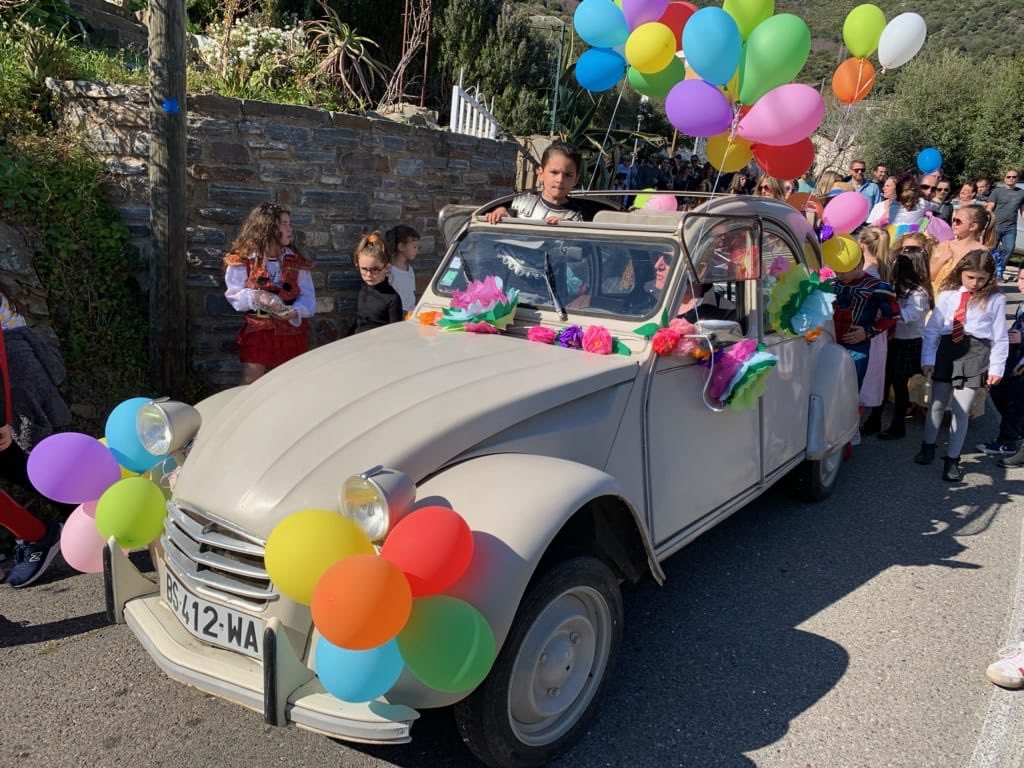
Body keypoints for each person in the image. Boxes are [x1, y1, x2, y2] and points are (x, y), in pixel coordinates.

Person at [916, 249, 1008, 481]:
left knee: (961, 409)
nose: (975, 283)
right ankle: (928, 445)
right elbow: (933, 329)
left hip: (975, 352)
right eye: (970, 277)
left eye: (981, 278)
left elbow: (999, 336)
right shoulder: (948, 295)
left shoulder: (995, 299)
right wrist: (928, 358)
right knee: (937, 404)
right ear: (961, 273)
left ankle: (952, 459)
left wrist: (997, 367)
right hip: (948, 350)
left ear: (989, 277)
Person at [0, 288, 69, 588]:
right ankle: (72, 513)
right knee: (15, 460)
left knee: (25, 456)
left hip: (16, 367)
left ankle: (44, 531)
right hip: (14, 365)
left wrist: (2, 418)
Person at [224, 202, 316, 384]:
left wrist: (295, 311)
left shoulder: (296, 261)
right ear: (268, 227)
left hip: (291, 333)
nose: (290, 229)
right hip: (259, 330)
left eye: (290, 224)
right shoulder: (245, 260)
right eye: (285, 224)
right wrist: (257, 296)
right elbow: (234, 295)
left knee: (291, 383)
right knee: (251, 384)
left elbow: (309, 299)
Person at [870, 247, 933, 440]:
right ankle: (874, 420)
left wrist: (890, 311)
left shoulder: (919, 292)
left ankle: (898, 425)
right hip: (893, 340)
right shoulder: (898, 285)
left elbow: (910, 315)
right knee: (884, 381)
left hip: (908, 343)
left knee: (899, 384)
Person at [832, 249, 900, 388]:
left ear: (859, 264)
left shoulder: (878, 287)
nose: (840, 275)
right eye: (837, 271)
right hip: (830, 344)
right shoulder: (833, 285)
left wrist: (868, 331)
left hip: (857, 348)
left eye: (844, 270)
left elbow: (893, 316)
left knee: (851, 390)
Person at [485, 142, 584, 224]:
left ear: (576, 179)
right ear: (541, 173)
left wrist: (566, 227)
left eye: (568, 175)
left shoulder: (575, 216)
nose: (560, 180)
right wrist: (501, 212)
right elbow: (507, 218)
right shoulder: (522, 203)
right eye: (554, 172)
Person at [976, 290, 1024, 459]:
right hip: (1014, 357)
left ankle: (1008, 441)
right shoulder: (1022, 305)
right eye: (1020, 278)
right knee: (998, 391)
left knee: (1015, 401)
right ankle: (1016, 430)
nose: (1021, 284)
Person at [857, 226, 894, 433]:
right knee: (866, 382)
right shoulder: (882, 267)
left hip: (866, 331)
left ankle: (852, 430)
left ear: (861, 244)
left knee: (859, 382)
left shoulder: (868, 272)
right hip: (876, 334)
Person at [929, 204, 995, 297]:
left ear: (973, 226)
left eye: (958, 221)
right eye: (953, 220)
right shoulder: (945, 245)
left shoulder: (982, 252)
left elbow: (985, 282)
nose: (954, 224)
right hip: (935, 298)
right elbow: (928, 275)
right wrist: (941, 261)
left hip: (962, 302)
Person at [352, 231, 404, 333]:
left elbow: (395, 333)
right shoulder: (364, 289)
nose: (368, 275)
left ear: (387, 267)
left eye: (374, 269)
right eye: (364, 269)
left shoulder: (392, 299)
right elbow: (359, 322)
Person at [985, 168, 1024, 281]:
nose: (1011, 179)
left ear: (1017, 179)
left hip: (1010, 227)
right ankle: (988, 271)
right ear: (1005, 178)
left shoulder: (1021, 193)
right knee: (991, 249)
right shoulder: (997, 192)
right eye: (1009, 177)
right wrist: (987, 223)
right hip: (996, 226)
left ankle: (999, 271)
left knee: (1009, 249)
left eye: (1014, 177)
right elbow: (989, 208)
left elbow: (1022, 210)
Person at [386, 224, 420, 317]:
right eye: (414, 247)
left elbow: (411, 293)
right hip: (397, 315)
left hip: (411, 314)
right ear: (401, 246)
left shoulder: (410, 270)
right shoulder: (390, 272)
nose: (417, 251)